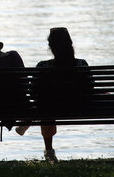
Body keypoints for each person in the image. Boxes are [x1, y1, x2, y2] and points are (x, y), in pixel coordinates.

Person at [16, 27, 91, 163]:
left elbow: (33, 92)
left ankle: (48, 150)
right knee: (47, 102)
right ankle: (28, 121)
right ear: (70, 43)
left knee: (46, 103)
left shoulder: (43, 66)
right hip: (79, 106)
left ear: (51, 46)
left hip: (49, 108)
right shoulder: (82, 64)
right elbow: (90, 87)